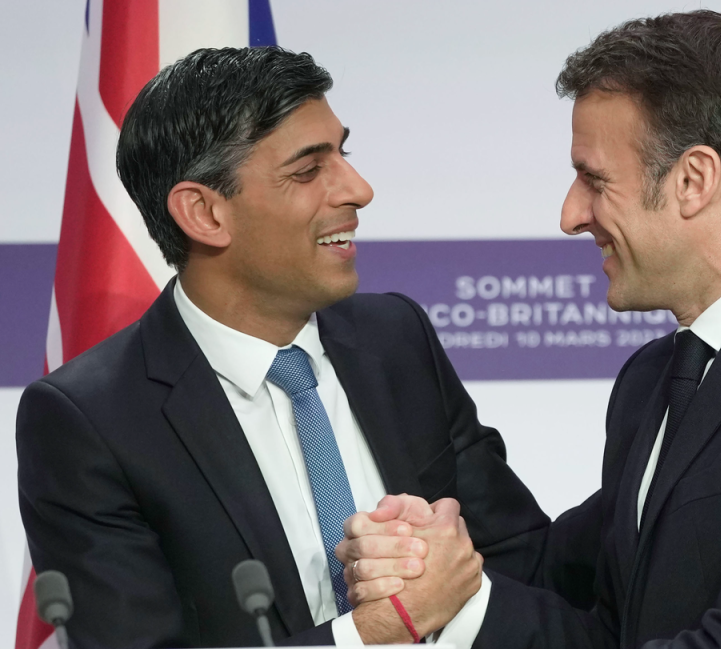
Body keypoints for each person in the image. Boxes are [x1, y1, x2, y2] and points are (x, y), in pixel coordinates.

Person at [340, 10, 721, 648]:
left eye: (595, 180)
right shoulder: (655, 379)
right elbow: (600, 618)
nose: (570, 215)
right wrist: (435, 570)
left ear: (694, 180)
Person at [17, 46, 600, 648]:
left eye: (343, 154)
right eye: (307, 170)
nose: (359, 189)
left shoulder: (396, 338)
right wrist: (379, 627)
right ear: (204, 213)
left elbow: (525, 562)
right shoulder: (90, 421)